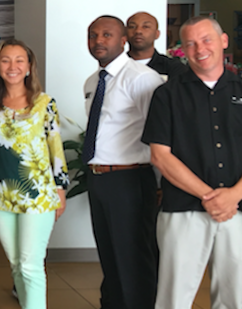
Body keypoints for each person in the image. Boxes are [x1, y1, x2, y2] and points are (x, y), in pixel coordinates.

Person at [142, 16, 242, 309]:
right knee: (174, 297)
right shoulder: (167, 95)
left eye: (206, 39)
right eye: (190, 44)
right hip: (183, 210)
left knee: (233, 297)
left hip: (239, 210)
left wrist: (233, 195)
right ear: (182, 50)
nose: (200, 49)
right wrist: (209, 197)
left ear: (223, 42)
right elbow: (160, 155)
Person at [0, 39, 68, 309]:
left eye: (20, 60)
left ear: (29, 67)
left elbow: (56, 147)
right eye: (6, 60)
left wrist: (60, 190)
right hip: (1, 194)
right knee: (16, 264)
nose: (13, 66)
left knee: (31, 264)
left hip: (38, 194)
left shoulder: (44, 103)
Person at [83, 16, 163, 309]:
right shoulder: (93, 81)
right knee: (110, 255)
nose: (98, 41)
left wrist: (160, 183)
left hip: (130, 179)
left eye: (107, 35)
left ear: (123, 40)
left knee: (134, 259)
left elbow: (159, 135)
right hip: (99, 178)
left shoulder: (142, 79)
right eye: (93, 35)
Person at [126, 11, 187, 77]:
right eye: (132, 26)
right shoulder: (117, 66)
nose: (138, 31)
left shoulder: (174, 67)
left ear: (157, 34)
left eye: (146, 26)